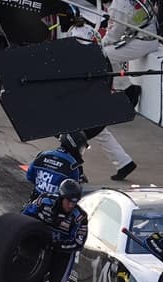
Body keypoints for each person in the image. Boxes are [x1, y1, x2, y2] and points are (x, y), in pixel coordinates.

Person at [68, 9, 139, 181]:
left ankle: (77, 172)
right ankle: (124, 163)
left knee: (71, 137)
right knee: (100, 131)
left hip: (90, 96)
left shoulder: (77, 36)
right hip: (99, 93)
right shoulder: (91, 34)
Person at [19, 179, 88, 282]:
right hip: (41, 247)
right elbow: (23, 215)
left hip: (62, 254)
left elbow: (79, 243)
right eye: (68, 201)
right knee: (33, 278)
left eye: (75, 202)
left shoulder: (80, 217)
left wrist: (58, 246)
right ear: (61, 197)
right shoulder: (44, 200)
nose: (71, 205)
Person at [103, 0, 158, 99]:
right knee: (106, 53)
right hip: (148, 33)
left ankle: (128, 91)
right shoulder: (121, 4)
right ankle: (125, 88)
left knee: (103, 55)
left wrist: (97, 46)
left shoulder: (118, 7)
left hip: (143, 41)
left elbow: (112, 37)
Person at [26, 132, 87, 200]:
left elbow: (29, 176)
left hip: (35, 202)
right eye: (81, 148)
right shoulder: (74, 166)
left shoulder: (42, 155)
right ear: (74, 145)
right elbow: (74, 194)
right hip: (55, 206)